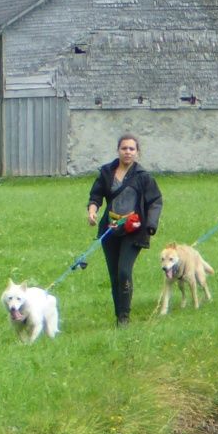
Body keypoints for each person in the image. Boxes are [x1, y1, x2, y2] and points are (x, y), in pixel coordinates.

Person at [85, 133, 164, 326]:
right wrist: (92, 212)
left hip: (134, 230)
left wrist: (151, 225)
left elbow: (155, 201)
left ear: (137, 152)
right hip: (110, 230)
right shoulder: (106, 173)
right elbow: (96, 196)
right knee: (113, 275)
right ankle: (118, 313)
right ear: (118, 150)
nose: (127, 152)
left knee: (124, 272)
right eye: (124, 148)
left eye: (131, 149)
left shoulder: (143, 177)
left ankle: (124, 317)